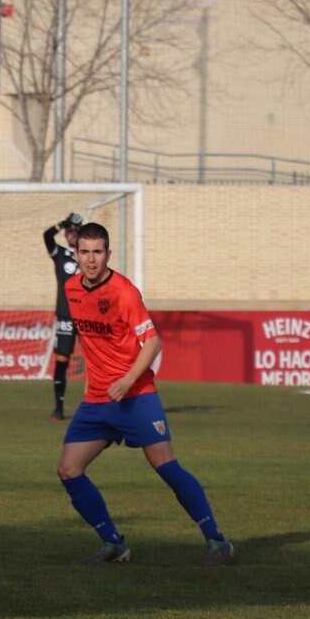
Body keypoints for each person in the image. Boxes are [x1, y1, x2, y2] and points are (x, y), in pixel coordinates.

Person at [55, 222, 234, 566]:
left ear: (108, 253)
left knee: (165, 466)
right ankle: (114, 544)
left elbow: (152, 341)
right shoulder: (72, 288)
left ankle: (216, 539)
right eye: (85, 253)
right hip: (97, 399)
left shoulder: (124, 292)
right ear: (75, 254)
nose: (91, 260)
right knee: (69, 469)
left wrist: (126, 379)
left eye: (98, 252)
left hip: (135, 395)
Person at [42, 213, 83, 420]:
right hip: (66, 316)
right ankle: (59, 408)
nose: (71, 234)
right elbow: (47, 235)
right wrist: (62, 224)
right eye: (69, 230)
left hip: (88, 317)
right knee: (61, 360)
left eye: (75, 230)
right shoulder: (61, 254)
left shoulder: (88, 255)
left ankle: (104, 404)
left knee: (96, 360)